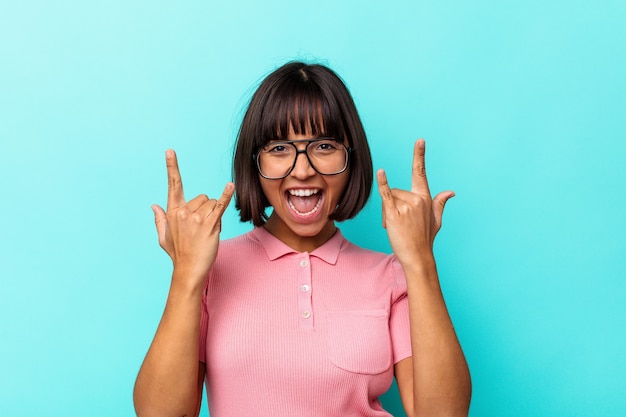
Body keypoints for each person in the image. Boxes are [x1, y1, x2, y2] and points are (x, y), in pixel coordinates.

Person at [133, 61, 471, 417]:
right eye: (279, 148)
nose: (303, 169)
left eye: (324, 145)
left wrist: (420, 262)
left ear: (351, 158)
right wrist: (186, 274)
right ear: (255, 163)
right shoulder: (210, 271)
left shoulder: (391, 277)